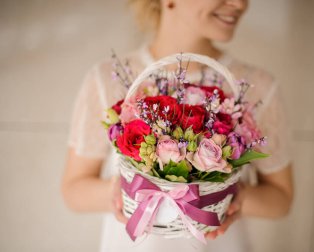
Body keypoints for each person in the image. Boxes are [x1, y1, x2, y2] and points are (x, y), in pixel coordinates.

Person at [61, 0, 294, 251]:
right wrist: (116, 191)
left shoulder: (256, 86)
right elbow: (74, 190)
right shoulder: (106, 79)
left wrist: (235, 196)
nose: (240, 4)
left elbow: (281, 198)